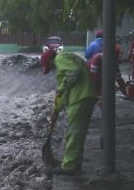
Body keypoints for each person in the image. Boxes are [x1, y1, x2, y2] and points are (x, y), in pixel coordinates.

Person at [41, 37, 97, 176]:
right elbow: (64, 92)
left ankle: (69, 166)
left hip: (80, 97)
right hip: (81, 97)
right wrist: (56, 110)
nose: (52, 69)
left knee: (74, 132)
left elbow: (73, 73)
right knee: (76, 133)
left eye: (50, 66)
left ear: (50, 60)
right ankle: (74, 162)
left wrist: (62, 87)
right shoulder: (66, 60)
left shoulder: (60, 59)